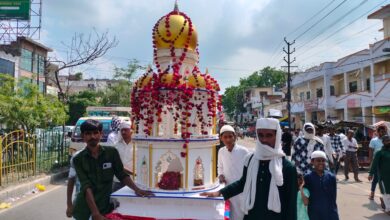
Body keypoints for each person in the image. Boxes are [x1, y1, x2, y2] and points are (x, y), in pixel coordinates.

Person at [201, 118, 297, 220]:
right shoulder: (251, 159)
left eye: (269, 135)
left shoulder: (287, 168)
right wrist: (220, 192)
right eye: (260, 135)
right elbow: (243, 183)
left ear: (277, 136)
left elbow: (291, 206)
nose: (264, 140)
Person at [72, 119, 153, 220]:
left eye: (95, 133)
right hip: (84, 210)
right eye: (88, 134)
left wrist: (137, 190)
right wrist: (95, 213)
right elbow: (86, 186)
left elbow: (121, 174)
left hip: (105, 207)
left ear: (101, 134)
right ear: (83, 136)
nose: (92, 137)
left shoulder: (111, 153)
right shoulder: (78, 159)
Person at [217, 125, 249, 220]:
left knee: (242, 212)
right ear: (221, 138)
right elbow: (220, 167)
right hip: (228, 187)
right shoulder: (221, 151)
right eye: (225, 137)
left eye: (230, 136)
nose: (228, 139)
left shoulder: (244, 151)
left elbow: (249, 169)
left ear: (235, 137)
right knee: (229, 213)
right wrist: (221, 175)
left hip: (241, 188)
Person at [304, 151, 339, 220]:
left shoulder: (331, 177)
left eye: (323, 161)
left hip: (330, 213)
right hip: (314, 214)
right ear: (312, 162)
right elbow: (305, 197)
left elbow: (334, 197)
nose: (321, 163)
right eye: (318, 160)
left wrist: (334, 213)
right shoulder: (307, 177)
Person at [112, 121, 136, 192]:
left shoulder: (137, 145)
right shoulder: (116, 146)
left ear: (131, 131)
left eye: (125, 130)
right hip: (118, 180)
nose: (123, 132)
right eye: (122, 130)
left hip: (133, 180)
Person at [369, 135, 390, 214]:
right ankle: (388, 209)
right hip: (383, 176)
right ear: (383, 142)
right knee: (386, 192)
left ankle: (383, 201)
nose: (389, 142)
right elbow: (374, 164)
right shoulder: (379, 153)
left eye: (389, 140)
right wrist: (371, 174)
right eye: (387, 141)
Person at [368, 125, 387, 200]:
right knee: (375, 179)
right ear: (378, 132)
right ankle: (372, 193)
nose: (383, 133)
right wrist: (371, 162)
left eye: (384, 132)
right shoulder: (374, 140)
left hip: (386, 163)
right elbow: (371, 152)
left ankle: (385, 196)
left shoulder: (387, 140)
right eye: (381, 132)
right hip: (377, 163)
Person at [66, 149, 83, 218]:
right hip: (80, 203)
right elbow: (71, 179)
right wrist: (69, 204)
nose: (92, 137)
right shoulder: (77, 157)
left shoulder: (107, 155)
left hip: (100, 203)